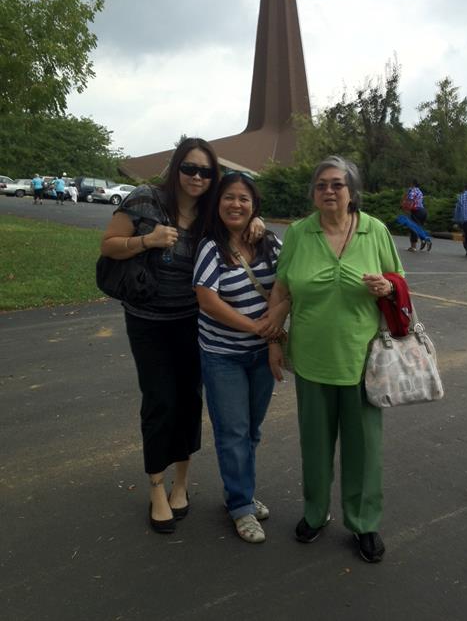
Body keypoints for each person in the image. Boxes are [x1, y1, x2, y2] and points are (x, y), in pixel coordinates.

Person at [100, 138, 266, 534]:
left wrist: (256, 221)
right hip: (148, 322)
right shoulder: (146, 199)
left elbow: (238, 217)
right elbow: (108, 246)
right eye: (189, 168)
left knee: (189, 401)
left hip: (193, 322)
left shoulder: (210, 212)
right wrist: (148, 240)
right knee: (160, 401)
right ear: (176, 168)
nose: (196, 177)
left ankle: (181, 483)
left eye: (205, 171)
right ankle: (156, 487)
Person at [268, 155, 404, 563]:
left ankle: (364, 522)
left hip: (363, 360)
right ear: (313, 193)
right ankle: (315, 512)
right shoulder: (299, 233)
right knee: (314, 445)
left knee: (364, 449)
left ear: (352, 192)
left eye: (337, 184)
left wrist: (386, 288)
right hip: (311, 360)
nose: (328, 191)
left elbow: (398, 281)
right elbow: (281, 290)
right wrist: (274, 341)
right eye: (321, 185)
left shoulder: (374, 230)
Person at [193, 172, 286, 544]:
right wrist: (257, 328)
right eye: (229, 197)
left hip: (261, 355)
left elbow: (287, 285)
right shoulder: (210, 247)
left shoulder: (269, 242)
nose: (236, 204)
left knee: (252, 430)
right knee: (233, 432)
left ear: (254, 205)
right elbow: (207, 300)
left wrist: (272, 335)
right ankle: (240, 505)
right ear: (217, 203)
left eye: (244, 199)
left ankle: (240, 490)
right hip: (223, 356)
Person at [403, 180, 430, 251]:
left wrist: (406, 210)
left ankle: (413, 247)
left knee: (413, 228)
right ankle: (425, 240)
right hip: (423, 211)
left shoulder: (412, 191)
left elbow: (410, 200)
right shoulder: (420, 191)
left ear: (412, 184)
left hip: (416, 211)